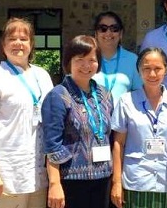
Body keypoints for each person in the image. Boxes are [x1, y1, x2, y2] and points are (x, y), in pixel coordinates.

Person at [0, 17, 54, 208]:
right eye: (12, 38)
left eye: (24, 39)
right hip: (5, 173)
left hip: (36, 174)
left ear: (32, 44)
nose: (18, 43)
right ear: (3, 45)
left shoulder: (42, 76)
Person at [42, 35, 114, 208]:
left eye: (92, 60)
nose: (86, 66)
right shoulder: (58, 96)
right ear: (69, 62)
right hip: (71, 182)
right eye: (79, 60)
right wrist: (54, 184)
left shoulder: (105, 95)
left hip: (103, 178)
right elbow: (52, 144)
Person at [110, 47, 167, 208]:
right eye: (146, 69)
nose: (152, 74)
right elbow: (118, 144)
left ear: (166, 70)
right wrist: (116, 182)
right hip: (136, 181)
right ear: (139, 71)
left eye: (158, 69)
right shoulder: (126, 101)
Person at [93, 11, 142, 104]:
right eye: (103, 28)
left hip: (123, 117)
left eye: (114, 28)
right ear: (96, 34)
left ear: (121, 34)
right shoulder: (87, 59)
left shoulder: (132, 60)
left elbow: (140, 93)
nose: (108, 33)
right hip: (92, 117)